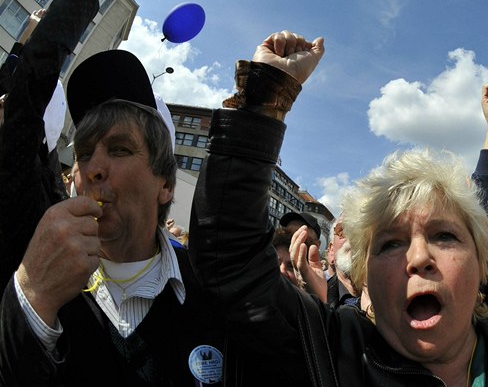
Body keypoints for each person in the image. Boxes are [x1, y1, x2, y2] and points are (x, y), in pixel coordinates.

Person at [187, 33, 488, 386]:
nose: (419, 258)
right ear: (364, 275)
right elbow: (229, 260)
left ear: (480, 262)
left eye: (444, 235)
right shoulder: (331, 350)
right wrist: (265, 98)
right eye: (390, 243)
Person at [0, 33, 312, 385]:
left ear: (164, 184)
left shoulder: (215, 295)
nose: (92, 168)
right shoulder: (37, 273)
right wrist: (32, 299)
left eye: (119, 149)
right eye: (84, 153)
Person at [0, 0, 99, 292]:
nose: (3, 98)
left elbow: (30, 81)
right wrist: (24, 36)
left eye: (8, 102)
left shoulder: (19, 188)